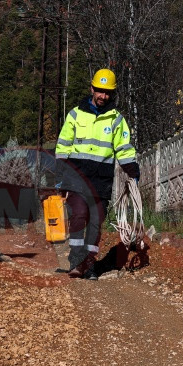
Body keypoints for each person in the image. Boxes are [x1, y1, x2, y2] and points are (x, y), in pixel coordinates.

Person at [54, 68, 140, 279]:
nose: (103, 96)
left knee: (95, 223)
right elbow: (63, 147)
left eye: (107, 92)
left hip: (101, 182)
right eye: (100, 91)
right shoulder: (75, 115)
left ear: (112, 93)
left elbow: (124, 149)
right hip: (76, 178)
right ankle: (76, 261)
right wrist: (59, 177)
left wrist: (133, 172)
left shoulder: (116, 120)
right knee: (78, 215)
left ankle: (89, 265)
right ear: (92, 89)